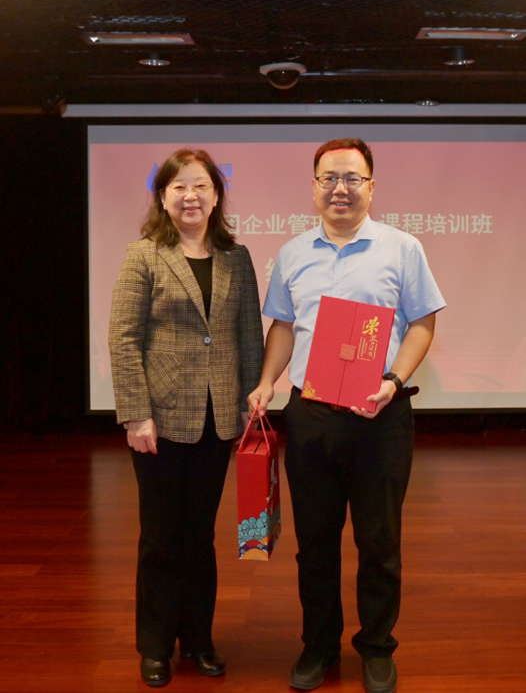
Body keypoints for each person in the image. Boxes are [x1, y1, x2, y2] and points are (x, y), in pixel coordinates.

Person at [248, 138, 446, 693]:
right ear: (314, 187)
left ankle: (377, 647)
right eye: (329, 178)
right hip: (310, 416)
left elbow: (423, 323)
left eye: (352, 178)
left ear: (371, 187)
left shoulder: (402, 248)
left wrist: (393, 380)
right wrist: (265, 382)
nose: (340, 188)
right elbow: (284, 326)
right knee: (315, 543)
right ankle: (319, 646)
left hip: (381, 417)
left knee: (379, 543)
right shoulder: (292, 253)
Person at [109, 148, 264, 687]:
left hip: (218, 420)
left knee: (200, 536)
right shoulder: (144, 255)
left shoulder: (237, 258)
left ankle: (198, 639)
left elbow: (248, 335)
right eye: (179, 187)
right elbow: (123, 339)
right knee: (160, 537)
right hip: (160, 418)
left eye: (200, 186)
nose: (190, 196)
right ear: (163, 196)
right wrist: (136, 415)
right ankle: (155, 645)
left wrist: (250, 401)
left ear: (216, 196)